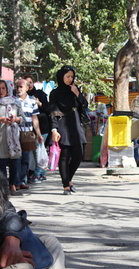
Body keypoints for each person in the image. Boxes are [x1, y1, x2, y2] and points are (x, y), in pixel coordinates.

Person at [49, 65, 88, 195]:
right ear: (61, 77)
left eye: (72, 76)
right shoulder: (55, 93)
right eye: (67, 76)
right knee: (64, 156)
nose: (70, 79)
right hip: (62, 125)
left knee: (78, 155)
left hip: (75, 124)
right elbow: (53, 112)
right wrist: (54, 129)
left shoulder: (75, 89)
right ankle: (66, 184)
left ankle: (69, 179)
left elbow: (84, 106)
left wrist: (78, 94)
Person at [0, 80, 23, 195]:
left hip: (13, 137)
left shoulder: (15, 103)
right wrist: (0, 120)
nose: (1, 91)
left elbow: (23, 119)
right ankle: (4, 186)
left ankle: (13, 184)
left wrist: (15, 119)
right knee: (2, 162)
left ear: (8, 89)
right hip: (0, 136)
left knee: (15, 162)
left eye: (3, 88)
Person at [14, 78, 44, 190]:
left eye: (21, 87)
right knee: (16, 158)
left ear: (27, 88)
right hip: (15, 133)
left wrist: (39, 134)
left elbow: (35, 118)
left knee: (26, 159)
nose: (19, 89)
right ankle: (15, 181)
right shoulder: (13, 101)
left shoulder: (32, 101)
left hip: (27, 133)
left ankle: (22, 180)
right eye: (17, 87)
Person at [23, 74, 51, 182]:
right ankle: (34, 173)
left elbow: (48, 109)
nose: (29, 85)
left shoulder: (40, 94)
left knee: (40, 150)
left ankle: (39, 174)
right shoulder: (22, 96)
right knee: (32, 152)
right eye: (26, 83)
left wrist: (39, 103)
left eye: (30, 82)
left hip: (42, 127)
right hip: (28, 129)